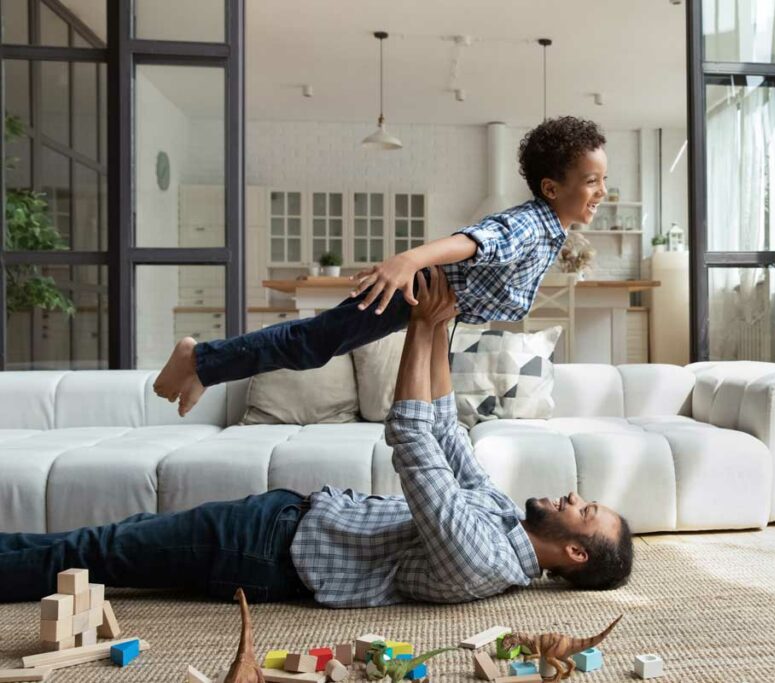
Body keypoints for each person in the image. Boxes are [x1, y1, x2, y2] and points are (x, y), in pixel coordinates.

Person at [0, 268, 633, 607]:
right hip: (283, 516)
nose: (575, 497)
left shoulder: (481, 562)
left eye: (588, 511)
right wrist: (440, 327)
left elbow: (412, 441)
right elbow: (446, 431)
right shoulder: (502, 521)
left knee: (99, 550)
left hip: (263, 553)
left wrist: (418, 326)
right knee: (105, 545)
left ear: (576, 553)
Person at [153, 116, 609, 416]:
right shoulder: (531, 225)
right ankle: (198, 360)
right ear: (551, 188)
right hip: (416, 290)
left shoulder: (551, 230)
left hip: (430, 302)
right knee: (311, 344)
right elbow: (474, 241)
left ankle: (203, 369)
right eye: (592, 181)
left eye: (603, 180)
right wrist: (409, 260)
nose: (602, 191)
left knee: (314, 344)